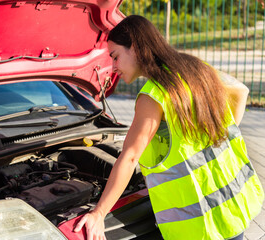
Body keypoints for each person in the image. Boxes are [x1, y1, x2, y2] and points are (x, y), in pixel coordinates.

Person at [73, 15, 264, 240]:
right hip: (232, 206)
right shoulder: (194, 68)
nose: (113, 67)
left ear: (134, 47)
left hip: (199, 225)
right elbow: (240, 91)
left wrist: (99, 212)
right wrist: (219, 130)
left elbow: (131, 157)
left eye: (115, 57)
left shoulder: (154, 95)